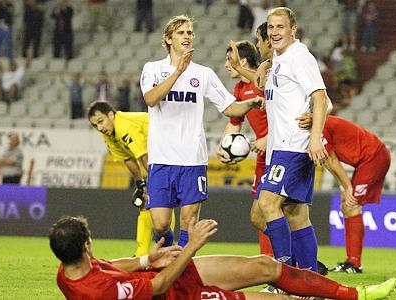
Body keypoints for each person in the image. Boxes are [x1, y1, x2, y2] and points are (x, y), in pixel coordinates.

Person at [50, 215, 396, 299]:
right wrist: (191, 245)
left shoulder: (68, 272)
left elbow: (110, 266)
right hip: (176, 294)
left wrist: (146, 259)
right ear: (85, 246)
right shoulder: (99, 292)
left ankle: (353, 294)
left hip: (172, 274)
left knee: (265, 266)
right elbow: (158, 287)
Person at [139, 15, 261, 248]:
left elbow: (229, 107)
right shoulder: (153, 69)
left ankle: (181, 272)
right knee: (161, 224)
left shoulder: (203, 74)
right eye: (181, 32)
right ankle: (169, 257)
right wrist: (177, 73)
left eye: (190, 32)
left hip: (192, 159)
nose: (187, 36)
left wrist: (250, 102)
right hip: (162, 158)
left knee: (189, 221)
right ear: (168, 39)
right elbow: (151, 99)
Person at [253, 7, 331, 274]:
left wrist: (316, 138)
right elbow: (324, 103)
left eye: (280, 27)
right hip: (281, 147)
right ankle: (309, 277)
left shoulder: (299, 57)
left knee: (267, 203)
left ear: (293, 29)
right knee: (296, 213)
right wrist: (265, 65)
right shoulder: (279, 58)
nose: (275, 32)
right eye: (271, 27)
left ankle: (285, 275)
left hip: (294, 146)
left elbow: (320, 97)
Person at [298, 114, 390, 274]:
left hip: (373, 157)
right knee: (348, 206)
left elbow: (331, 161)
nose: (302, 118)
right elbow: (327, 161)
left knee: (351, 205)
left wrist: (347, 188)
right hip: (367, 159)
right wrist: (344, 186)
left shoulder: (320, 127)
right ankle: (352, 262)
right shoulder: (317, 124)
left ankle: (354, 263)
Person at [219, 39, 272, 256]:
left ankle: (290, 263)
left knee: (278, 210)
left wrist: (269, 138)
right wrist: (225, 147)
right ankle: (272, 263)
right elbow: (234, 121)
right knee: (260, 213)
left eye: (228, 59)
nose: (225, 64)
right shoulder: (240, 88)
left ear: (241, 60)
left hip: (282, 153)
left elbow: (288, 115)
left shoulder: (263, 82)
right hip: (263, 158)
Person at [87, 100, 158, 257]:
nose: (100, 128)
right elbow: (128, 159)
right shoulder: (109, 134)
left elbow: (144, 156)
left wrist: (156, 183)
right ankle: (142, 254)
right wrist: (141, 184)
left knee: (159, 203)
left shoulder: (124, 126)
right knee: (149, 203)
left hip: (173, 149)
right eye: (95, 125)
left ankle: (153, 251)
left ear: (111, 115)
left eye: (101, 121)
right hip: (159, 157)